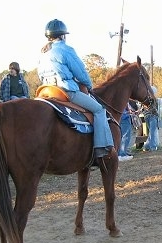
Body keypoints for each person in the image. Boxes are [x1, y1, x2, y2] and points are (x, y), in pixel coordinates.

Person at [37, 19, 114, 159]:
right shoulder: (65, 49)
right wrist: (89, 85)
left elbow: (39, 74)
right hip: (65, 91)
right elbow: (81, 73)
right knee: (99, 110)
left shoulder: (44, 54)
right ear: (63, 35)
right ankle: (101, 148)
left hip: (46, 91)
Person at [143, 85, 159, 152]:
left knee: (150, 131)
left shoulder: (144, 98)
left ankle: (147, 146)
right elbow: (154, 109)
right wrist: (156, 114)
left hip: (146, 116)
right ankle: (152, 147)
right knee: (152, 132)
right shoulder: (153, 98)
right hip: (152, 116)